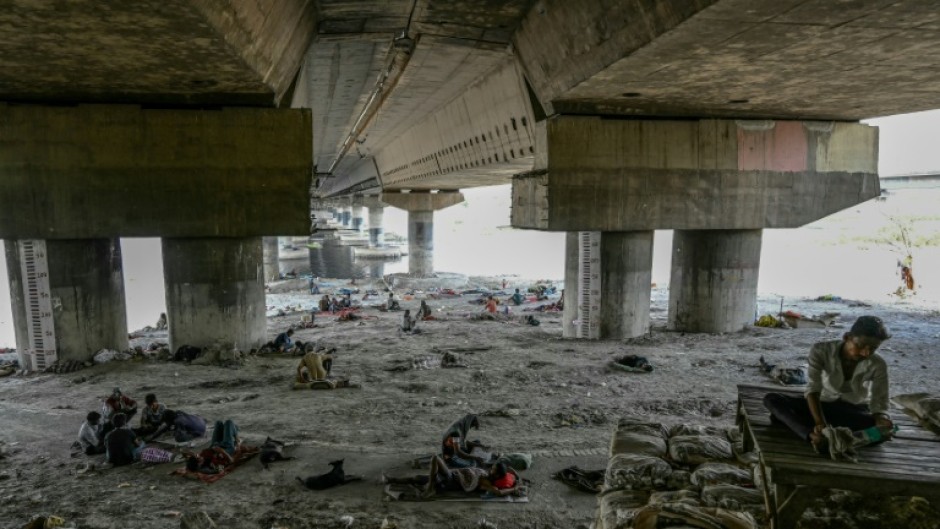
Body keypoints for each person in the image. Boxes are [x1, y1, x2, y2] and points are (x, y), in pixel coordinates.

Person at [764, 315, 894, 452]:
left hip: (854, 412)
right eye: (860, 346)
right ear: (847, 337)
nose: (866, 353)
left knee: (881, 431)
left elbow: (880, 400)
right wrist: (821, 423)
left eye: (873, 348)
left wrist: (881, 419)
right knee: (772, 399)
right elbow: (813, 388)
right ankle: (815, 436)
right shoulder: (821, 350)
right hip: (822, 406)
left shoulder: (878, 364)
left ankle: (825, 437)